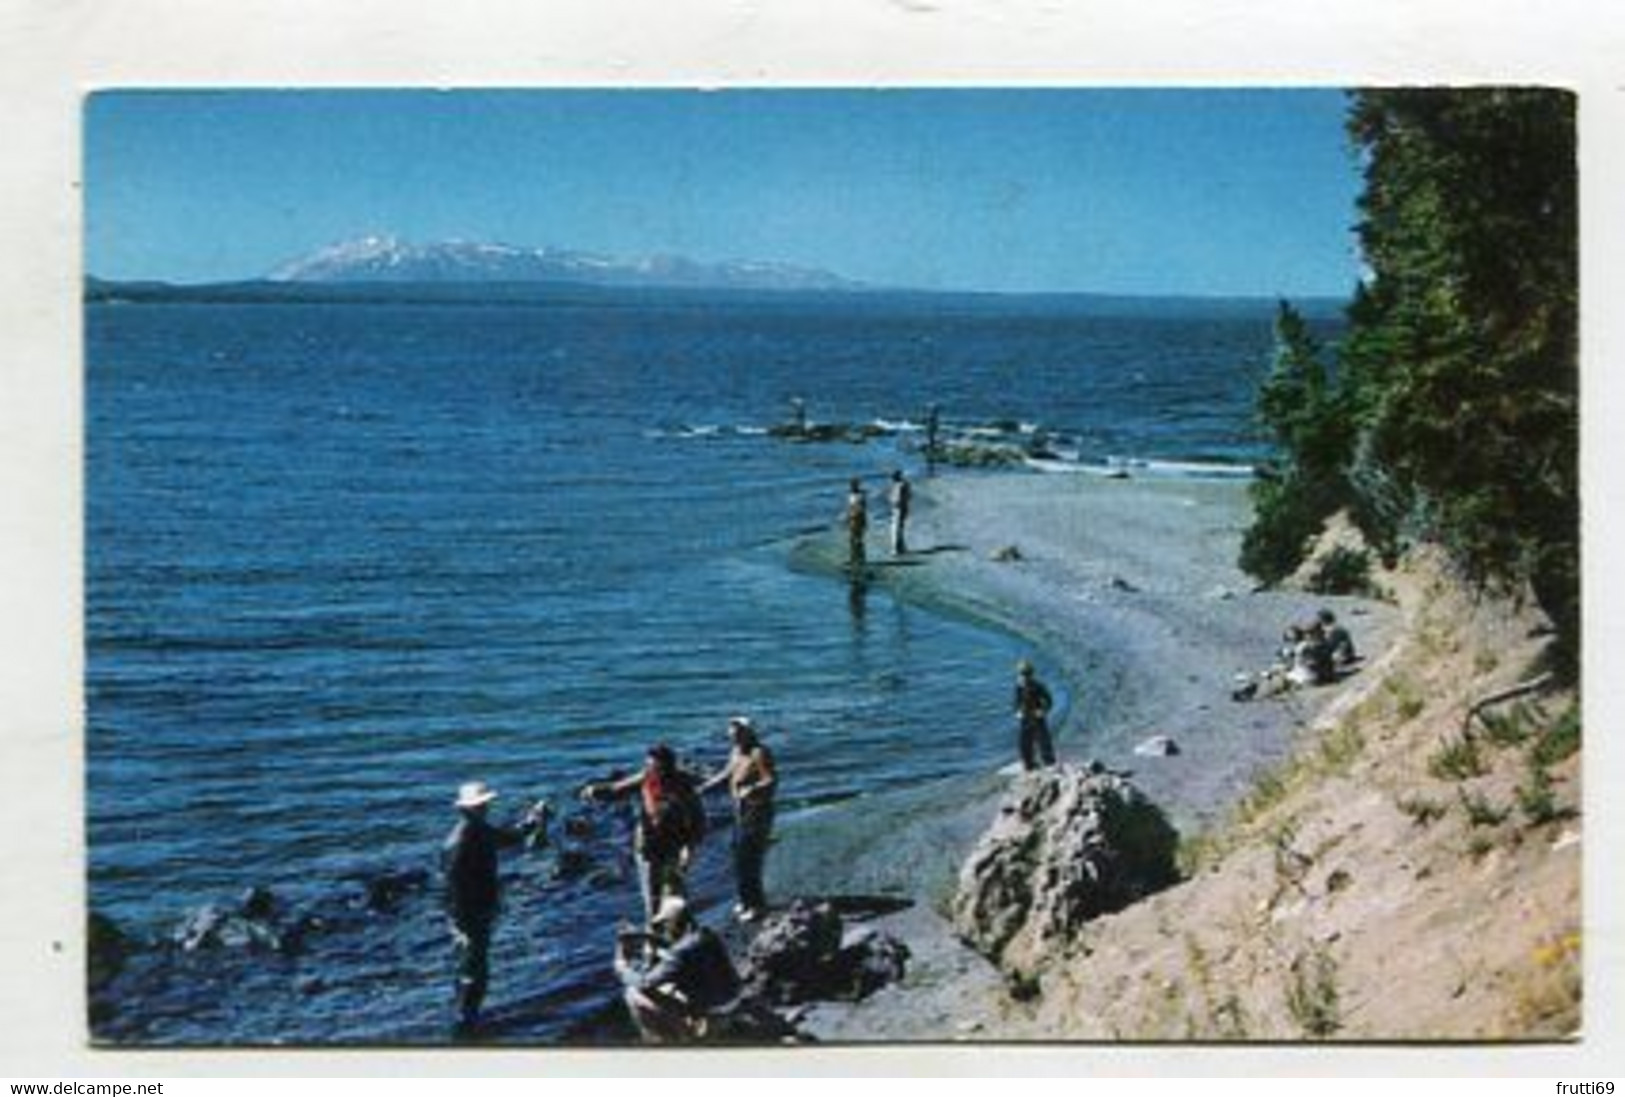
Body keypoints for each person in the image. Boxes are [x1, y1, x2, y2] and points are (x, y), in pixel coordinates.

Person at [441, 781, 547, 1031]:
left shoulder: (476, 831)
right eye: (480, 805)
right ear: (466, 809)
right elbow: (455, 887)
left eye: (484, 804)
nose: (485, 808)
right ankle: (466, 1020)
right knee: (473, 966)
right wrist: (467, 918)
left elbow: (508, 838)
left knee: (473, 964)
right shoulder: (462, 840)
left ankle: (468, 1017)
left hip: (474, 910)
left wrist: (531, 821)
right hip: (468, 913)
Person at [581, 743, 706, 923]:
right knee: (652, 894)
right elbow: (617, 789)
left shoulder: (683, 784)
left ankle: (679, 927)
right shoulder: (646, 777)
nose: (654, 771)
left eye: (658, 767)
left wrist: (689, 848)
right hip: (647, 843)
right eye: (650, 766)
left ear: (669, 766)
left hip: (674, 844)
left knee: (674, 890)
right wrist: (595, 790)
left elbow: (699, 820)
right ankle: (654, 928)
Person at [615, 896, 744, 1044]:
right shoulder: (707, 933)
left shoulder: (678, 954)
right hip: (734, 995)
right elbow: (680, 946)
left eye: (665, 923)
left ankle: (678, 1038)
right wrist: (645, 936)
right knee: (673, 984)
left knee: (633, 993)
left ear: (673, 923)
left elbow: (645, 983)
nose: (664, 928)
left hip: (715, 1007)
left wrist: (622, 967)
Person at [701, 715, 778, 922]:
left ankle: (757, 905)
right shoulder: (736, 752)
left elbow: (771, 780)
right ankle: (745, 901)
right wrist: (704, 787)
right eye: (732, 734)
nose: (733, 738)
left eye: (738, 734)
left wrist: (752, 789)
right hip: (739, 812)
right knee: (738, 857)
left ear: (748, 733)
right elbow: (727, 774)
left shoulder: (759, 753)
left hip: (757, 812)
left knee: (749, 859)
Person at [1013, 660, 1057, 771]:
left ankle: (1050, 763)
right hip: (1025, 717)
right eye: (1021, 674)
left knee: (1043, 740)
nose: (1023, 677)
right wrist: (1017, 711)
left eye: (1025, 674)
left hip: (1037, 716)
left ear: (1031, 675)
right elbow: (1016, 702)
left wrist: (1043, 710)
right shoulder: (1019, 687)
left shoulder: (1037, 686)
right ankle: (1028, 763)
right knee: (1024, 742)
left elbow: (1049, 700)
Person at [844, 477, 868, 573]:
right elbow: (849, 508)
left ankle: (861, 559)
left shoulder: (860, 496)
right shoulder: (850, 496)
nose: (852, 487)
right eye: (852, 485)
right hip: (852, 520)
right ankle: (853, 559)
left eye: (854, 485)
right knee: (852, 540)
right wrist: (847, 518)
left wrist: (863, 520)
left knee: (859, 540)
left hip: (858, 520)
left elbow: (862, 509)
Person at [887, 469, 912, 556]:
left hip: (898, 508)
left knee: (895, 529)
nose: (892, 478)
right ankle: (901, 548)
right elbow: (908, 496)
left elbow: (895, 498)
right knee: (900, 528)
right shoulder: (904, 484)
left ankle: (895, 549)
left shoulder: (899, 485)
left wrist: (895, 502)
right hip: (901, 508)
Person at [924, 403, 941, 476]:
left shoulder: (931, 418)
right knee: (931, 447)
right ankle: (931, 470)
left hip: (931, 434)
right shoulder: (932, 418)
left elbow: (932, 427)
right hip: (931, 434)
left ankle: (930, 469)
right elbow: (934, 427)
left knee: (931, 447)